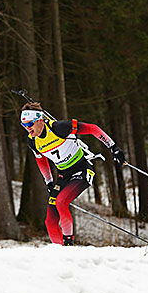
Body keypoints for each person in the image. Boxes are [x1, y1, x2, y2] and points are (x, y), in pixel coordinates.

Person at [20, 102, 125, 246]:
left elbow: (93, 129)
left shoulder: (59, 128)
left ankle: (69, 246)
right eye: (23, 125)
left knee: (61, 202)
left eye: (29, 124)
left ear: (39, 120)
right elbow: (41, 160)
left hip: (82, 170)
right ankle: (60, 252)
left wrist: (113, 147)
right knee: (50, 221)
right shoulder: (32, 141)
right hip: (64, 175)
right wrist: (49, 181)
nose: (27, 129)